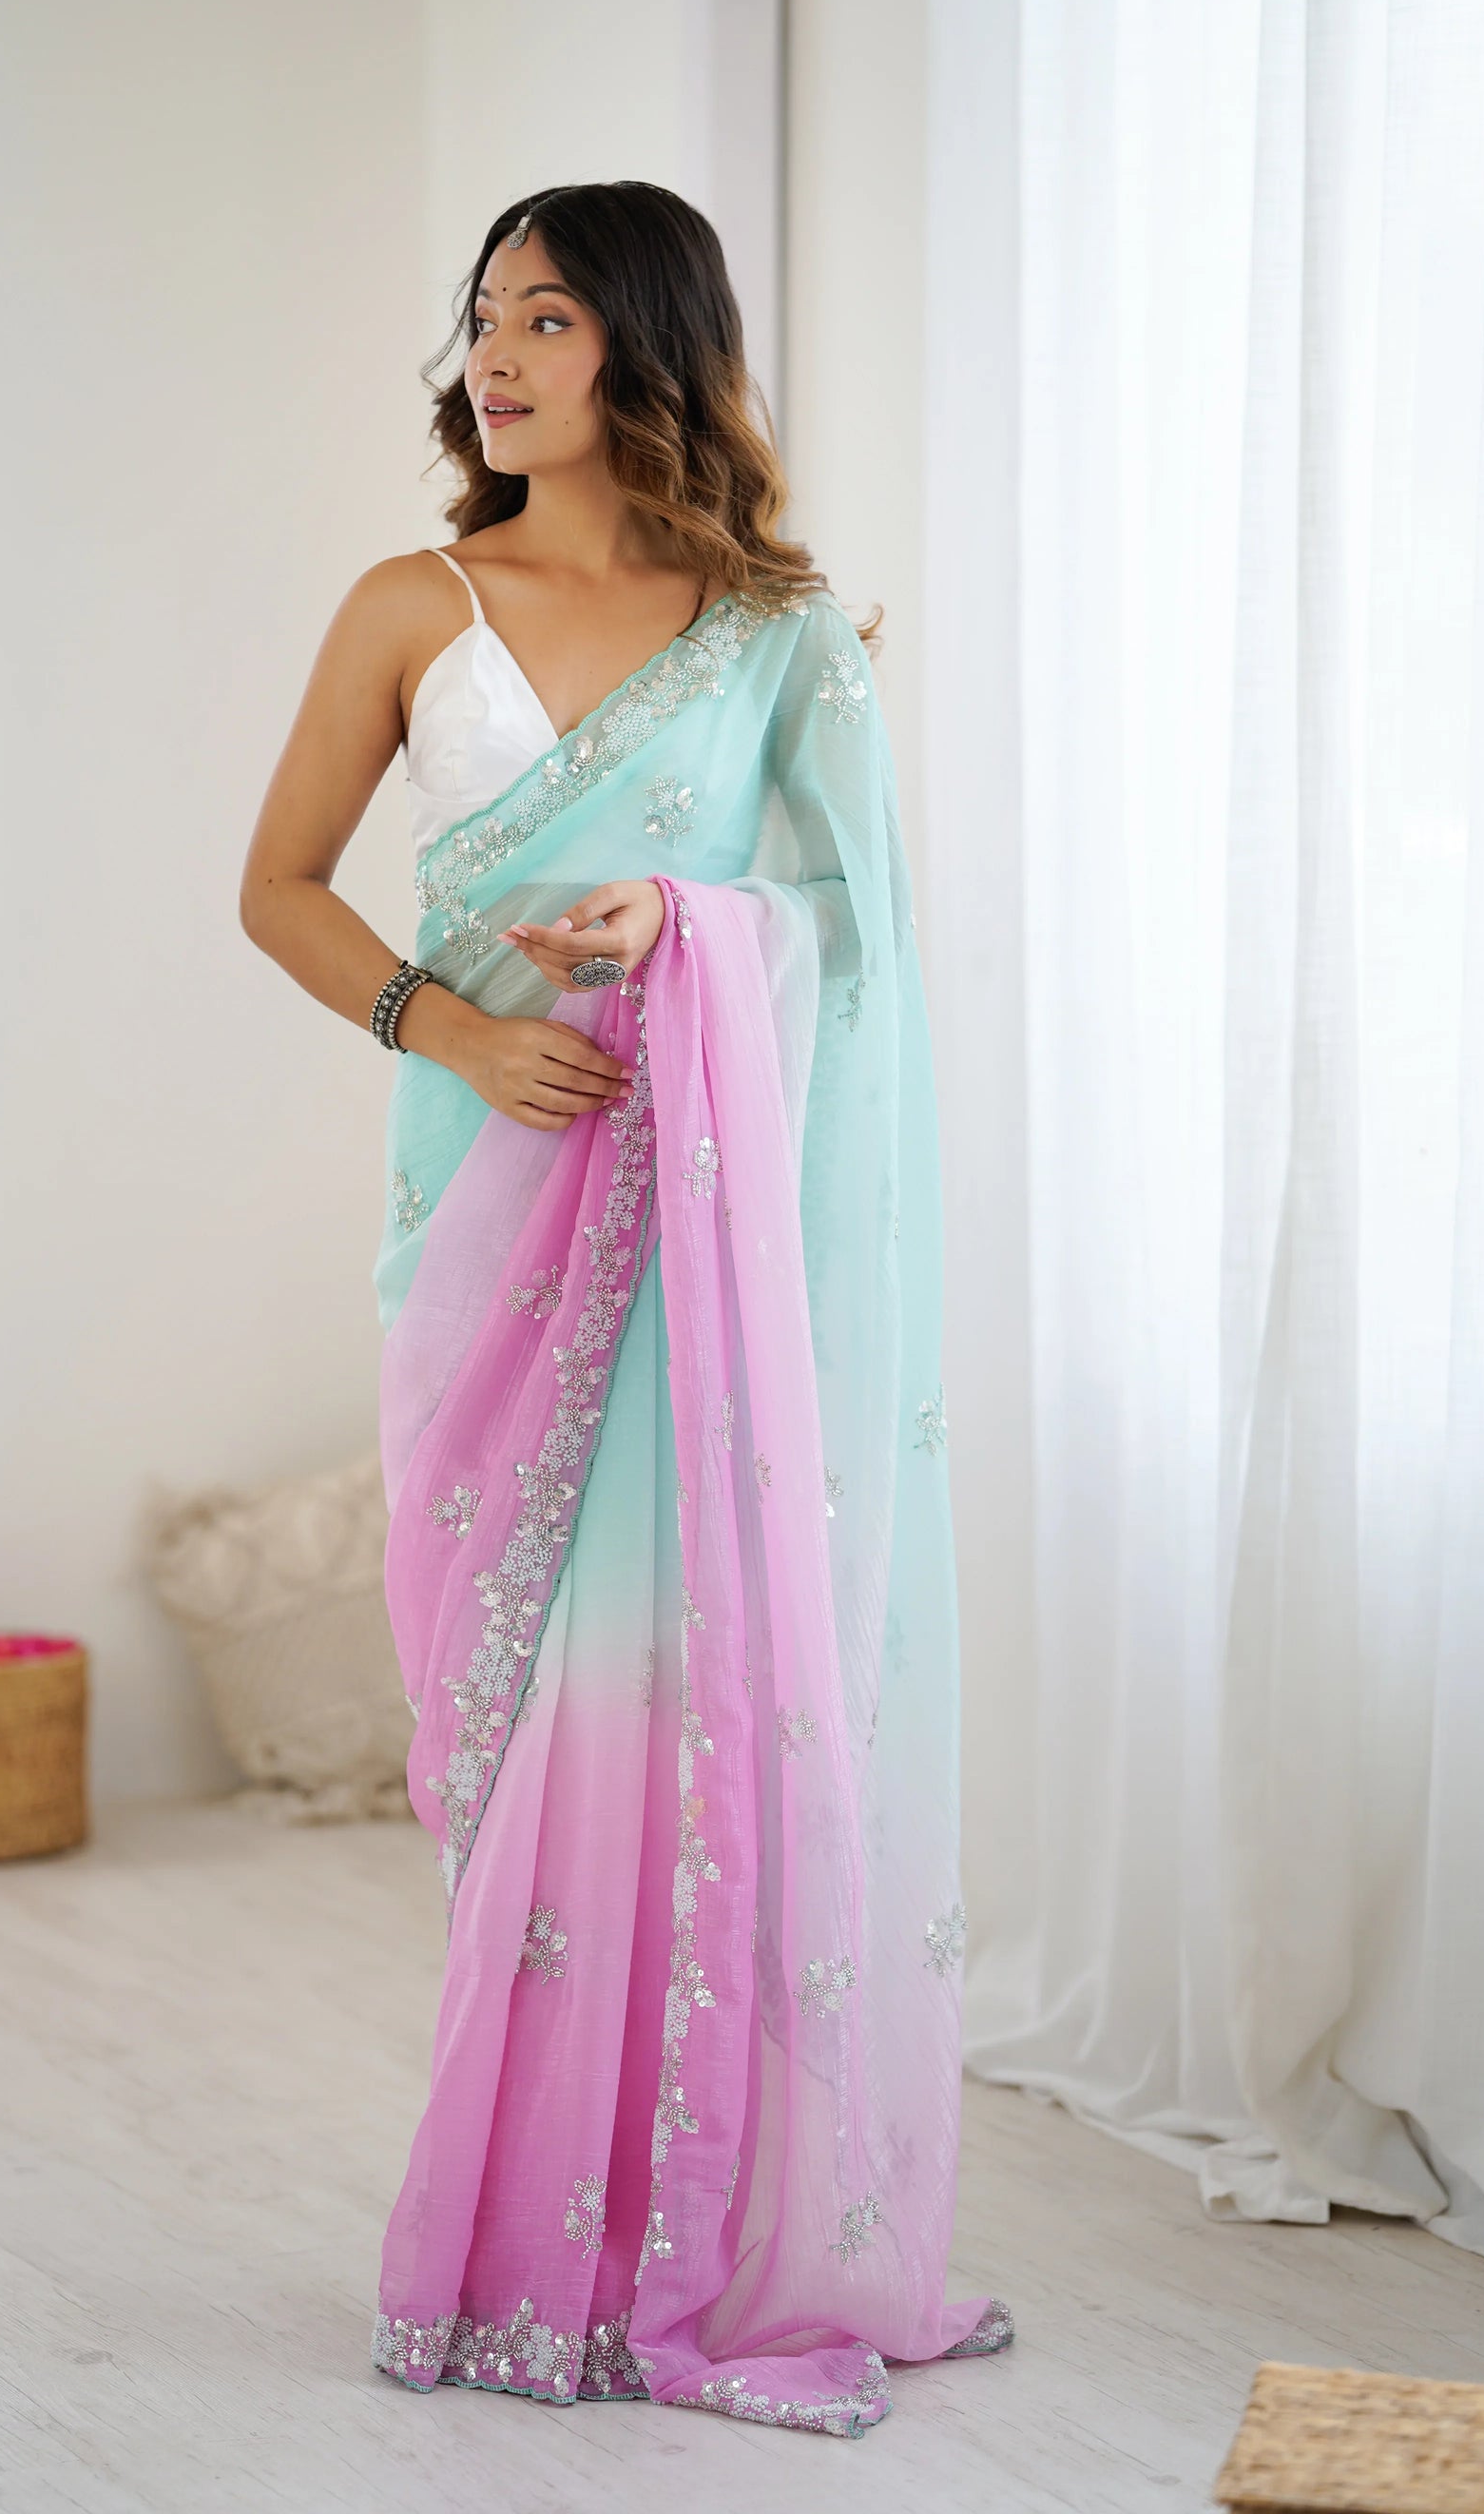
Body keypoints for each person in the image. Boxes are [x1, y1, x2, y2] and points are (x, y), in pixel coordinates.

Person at [240, 180, 1011, 2438]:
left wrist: (691, 925)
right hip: (485, 1199)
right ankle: (531, 2234)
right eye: (482, 316)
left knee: (689, 1714)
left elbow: (859, 931)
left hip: (700, 1239)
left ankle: (698, 2234)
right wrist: (459, 1031)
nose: (494, 355)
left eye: (549, 317)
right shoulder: (414, 601)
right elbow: (277, 885)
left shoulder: (775, 630)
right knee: (516, 1725)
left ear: (644, 342)